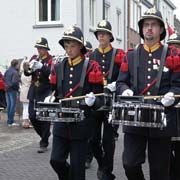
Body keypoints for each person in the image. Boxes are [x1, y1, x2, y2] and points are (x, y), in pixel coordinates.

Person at [116, 7, 180, 180]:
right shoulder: (131, 55)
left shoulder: (172, 55)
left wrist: (172, 97)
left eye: (153, 24)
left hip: (162, 120)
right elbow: (121, 82)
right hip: (134, 119)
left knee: (159, 171)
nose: (149, 28)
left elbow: (178, 85)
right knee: (129, 164)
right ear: (142, 29)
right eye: (146, 25)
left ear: (161, 30)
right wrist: (125, 90)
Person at [49, 25, 103, 180]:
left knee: (78, 169)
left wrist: (93, 102)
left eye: (72, 46)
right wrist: (51, 97)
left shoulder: (92, 67)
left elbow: (100, 99)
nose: (69, 50)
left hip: (81, 124)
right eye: (66, 46)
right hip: (62, 122)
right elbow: (55, 91)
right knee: (56, 160)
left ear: (80, 46)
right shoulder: (59, 67)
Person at [89, 20, 124, 180]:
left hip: (112, 103)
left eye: (104, 33)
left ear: (110, 36)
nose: (101, 36)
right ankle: (102, 163)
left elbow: (125, 75)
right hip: (95, 103)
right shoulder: (92, 55)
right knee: (93, 139)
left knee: (108, 141)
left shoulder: (118, 54)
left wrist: (117, 84)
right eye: (99, 33)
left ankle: (107, 171)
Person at [24, 37, 53, 153]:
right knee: (32, 116)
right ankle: (44, 135)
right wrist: (28, 68)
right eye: (38, 48)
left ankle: (44, 143)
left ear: (46, 48)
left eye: (41, 48)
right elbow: (27, 74)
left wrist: (42, 67)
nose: (39, 50)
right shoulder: (34, 58)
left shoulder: (51, 59)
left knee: (44, 118)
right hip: (34, 91)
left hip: (45, 91)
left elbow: (51, 74)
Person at [167, 32, 180, 180]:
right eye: (171, 47)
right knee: (165, 151)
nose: (174, 49)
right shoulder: (165, 64)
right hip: (170, 114)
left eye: (177, 46)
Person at [4, 59, 20, 126]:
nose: (19, 66)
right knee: (13, 106)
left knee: (9, 105)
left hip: (7, 89)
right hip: (13, 90)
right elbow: (14, 82)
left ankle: (9, 120)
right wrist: (17, 89)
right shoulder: (15, 72)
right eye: (18, 64)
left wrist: (7, 85)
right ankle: (11, 121)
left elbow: (4, 78)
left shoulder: (7, 71)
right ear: (16, 65)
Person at [19, 61, 32, 128]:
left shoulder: (22, 73)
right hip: (28, 90)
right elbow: (31, 81)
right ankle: (26, 122)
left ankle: (25, 121)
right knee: (28, 107)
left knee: (25, 107)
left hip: (23, 90)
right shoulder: (29, 73)